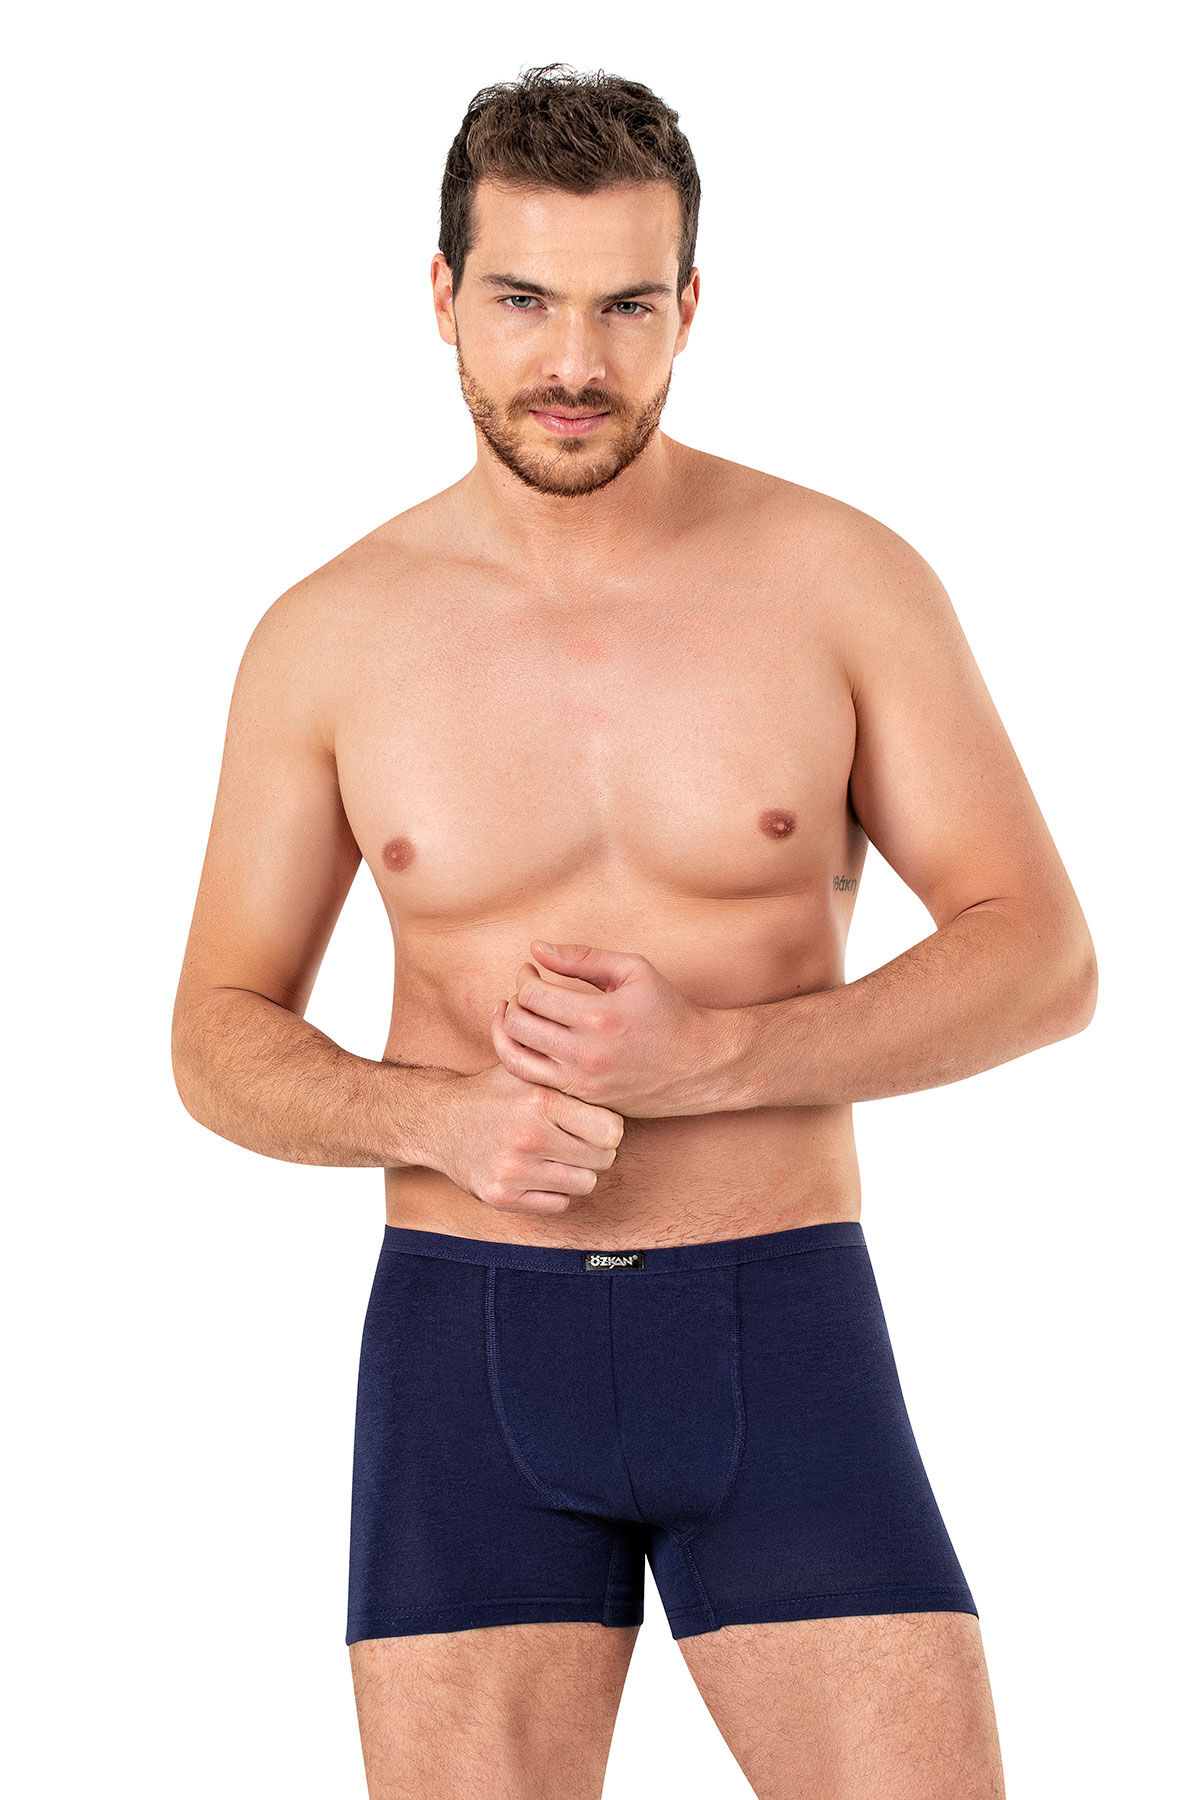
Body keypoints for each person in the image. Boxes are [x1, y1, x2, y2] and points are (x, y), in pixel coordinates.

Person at [171, 61, 1096, 1800]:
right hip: (468, 1343)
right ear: (443, 293)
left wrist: (719, 1057)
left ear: (692, 305)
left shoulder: (840, 581)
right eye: (523, 299)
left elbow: (1042, 954)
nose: (574, 362)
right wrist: (437, 1118)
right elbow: (215, 1034)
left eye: (626, 306)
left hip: (781, 1320)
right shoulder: (329, 636)